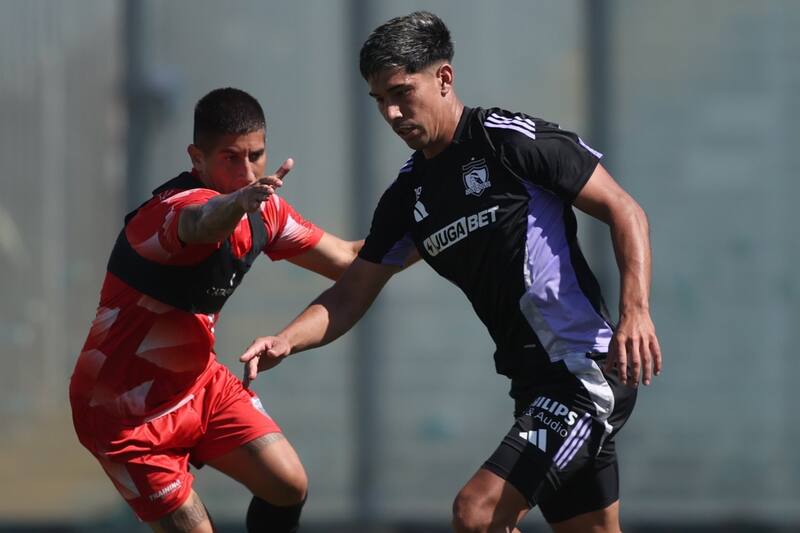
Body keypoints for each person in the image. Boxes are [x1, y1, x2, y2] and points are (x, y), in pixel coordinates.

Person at [239, 11, 663, 533]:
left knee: (475, 512)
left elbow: (626, 209)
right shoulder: (408, 197)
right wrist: (286, 340)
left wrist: (635, 310)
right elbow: (352, 290)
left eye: (401, 92)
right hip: (533, 387)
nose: (392, 113)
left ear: (443, 78)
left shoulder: (509, 142)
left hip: (586, 373)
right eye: (379, 102)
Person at [69, 87, 361, 533]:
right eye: (230, 158)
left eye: (256, 156)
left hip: (199, 384)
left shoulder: (266, 211)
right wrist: (236, 205)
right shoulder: (169, 211)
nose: (247, 173)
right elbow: (201, 224)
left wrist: (432, 227)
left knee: (287, 484)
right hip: (122, 415)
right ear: (197, 158)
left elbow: (348, 260)